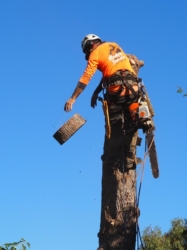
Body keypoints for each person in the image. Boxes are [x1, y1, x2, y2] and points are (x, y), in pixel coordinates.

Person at [64, 34, 153, 169]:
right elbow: (110, 73)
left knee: (114, 124)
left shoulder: (95, 53)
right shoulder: (114, 45)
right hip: (133, 86)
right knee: (131, 118)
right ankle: (141, 118)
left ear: (91, 45)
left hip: (116, 90)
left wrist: (73, 98)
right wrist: (96, 92)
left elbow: (86, 77)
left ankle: (116, 157)